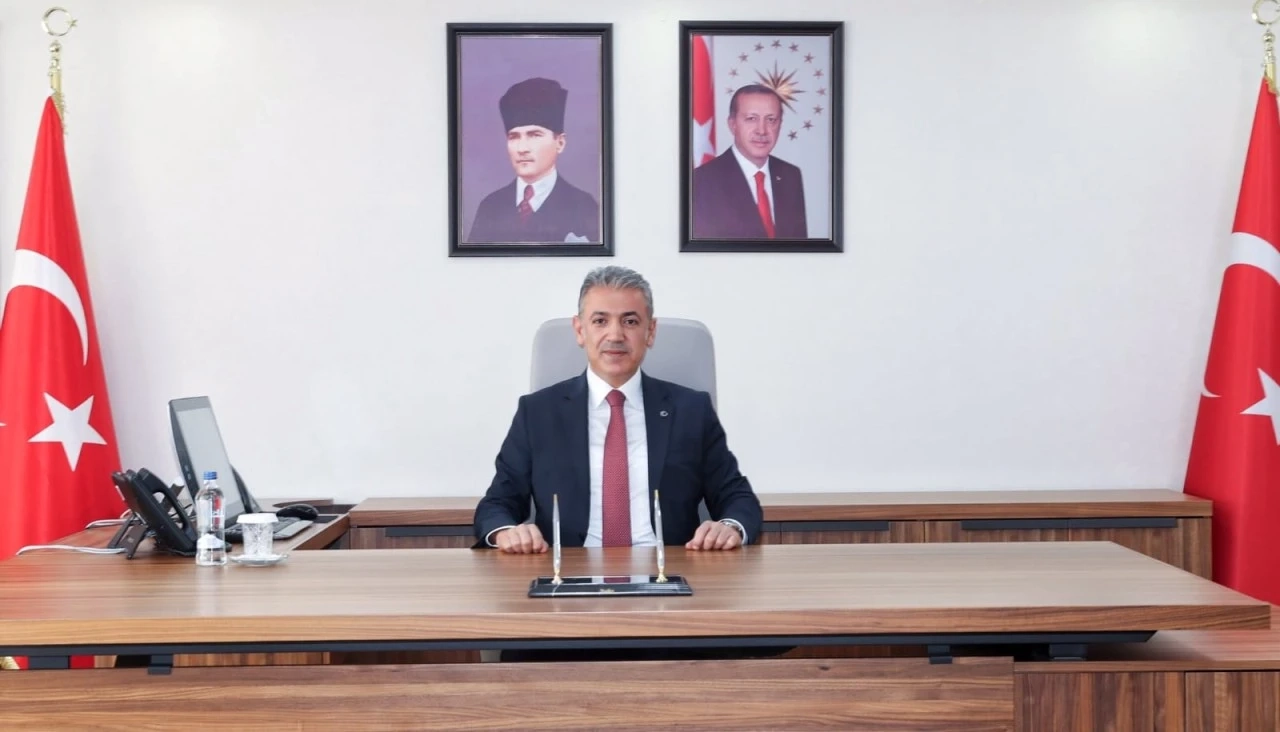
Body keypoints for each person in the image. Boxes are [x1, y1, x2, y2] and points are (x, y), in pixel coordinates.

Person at [473, 265, 762, 553]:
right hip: (570, 570)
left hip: (669, 569)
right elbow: (497, 504)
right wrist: (507, 532)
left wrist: (730, 526)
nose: (615, 335)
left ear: (650, 331)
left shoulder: (691, 410)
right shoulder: (537, 413)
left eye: (630, 321)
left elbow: (737, 498)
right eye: (600, 321)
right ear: (580, 330)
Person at [466, 77, 600, 244]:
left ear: (560, 143)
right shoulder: (491, 206)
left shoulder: (584, 207)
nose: (522, 148)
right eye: (514, 137)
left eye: (535, 135)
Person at [691, 84, 808, 240]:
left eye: (771, 120)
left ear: (780, 125)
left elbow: (799, 247)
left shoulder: (790, 175)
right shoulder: (702, 181)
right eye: (751, 119)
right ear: (732, 125)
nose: (762, 130)